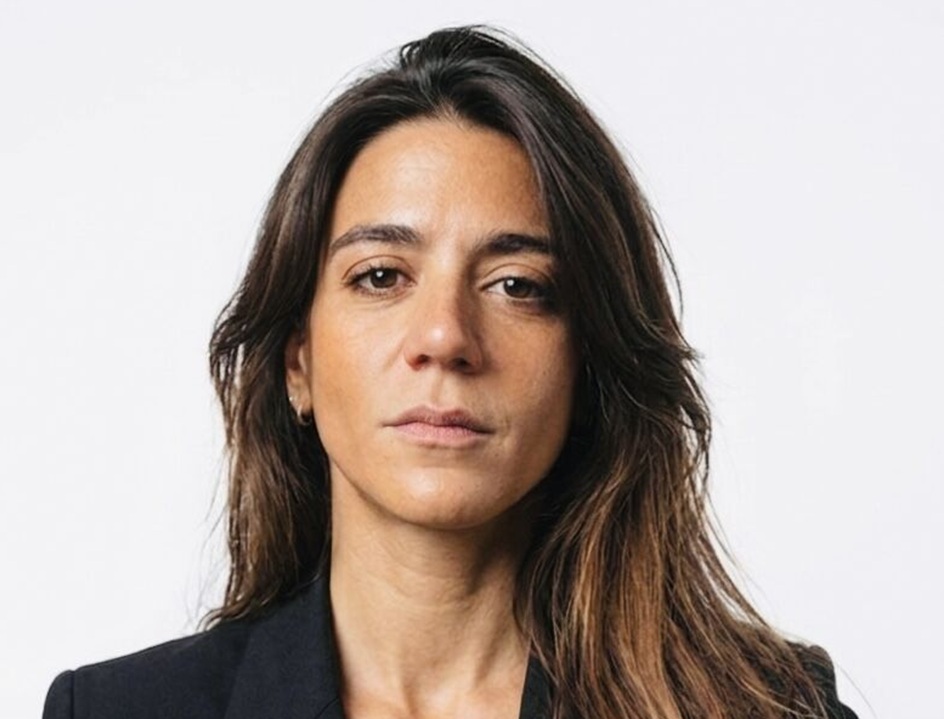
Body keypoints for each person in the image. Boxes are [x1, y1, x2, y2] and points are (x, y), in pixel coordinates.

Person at [43, 26, 857, 719]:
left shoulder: (768, 706)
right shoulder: (118, 709)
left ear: (589, 363)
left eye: (518, 286)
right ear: (298, 361)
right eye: (381, 276)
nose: (444, 336)